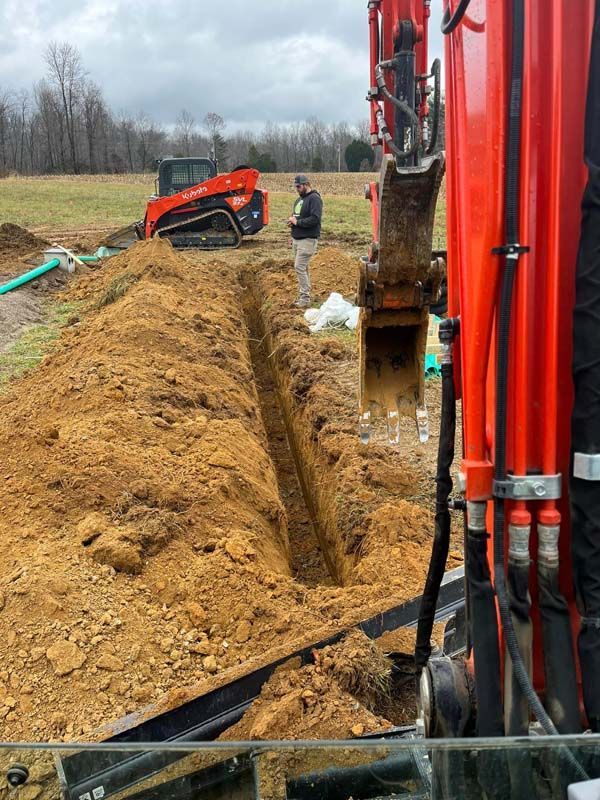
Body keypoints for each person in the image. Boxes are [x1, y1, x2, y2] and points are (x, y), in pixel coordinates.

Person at [287, 174, 323, 308]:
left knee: (299, 267)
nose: (297, 189)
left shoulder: (314, 199)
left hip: (307, 239)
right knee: (303, 267)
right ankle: (304, 295)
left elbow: (315, 219)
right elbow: (296, 218)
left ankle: (305, 298)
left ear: (306, 184)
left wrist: (297, 222)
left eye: (299, 186)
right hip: (297, 239)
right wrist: (292, 227)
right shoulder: (299, 200)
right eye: (295, 186)